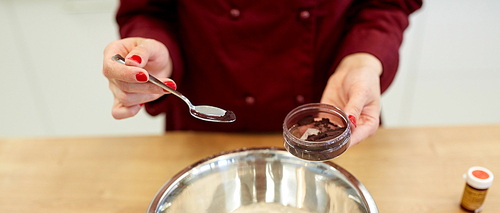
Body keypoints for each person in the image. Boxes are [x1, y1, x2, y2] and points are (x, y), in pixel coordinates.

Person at [103, 0, 422, 146]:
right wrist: (156, 53)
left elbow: (387, 2)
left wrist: (363, 58)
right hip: (205, 132)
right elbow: (146, 9)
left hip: (333, 113)